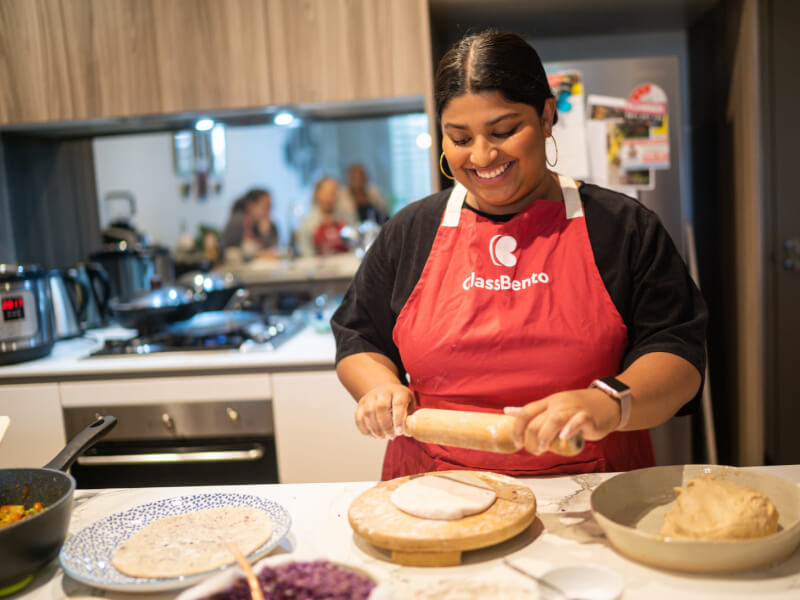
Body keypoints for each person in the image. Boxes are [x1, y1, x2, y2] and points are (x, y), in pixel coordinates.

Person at [331, 30, 707, 480]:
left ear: (547, 116)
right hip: (432, 493)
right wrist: (379, 389)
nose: (484, 155)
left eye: (505, 131)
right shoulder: (411, 231)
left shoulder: (622, 227)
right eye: (460, 137)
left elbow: (677, 356)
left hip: (588, 492)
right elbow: (359, 338)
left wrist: (609, 400)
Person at [296, 177, 352, 257]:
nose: (331, 197)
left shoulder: (345, 219)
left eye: (334, 192)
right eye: (328, 192)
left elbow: (353, 247)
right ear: (317, 194)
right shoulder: (307, 224)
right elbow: (307, 256)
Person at [221, 188, 278, 260]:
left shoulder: (270, 225)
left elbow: (272, 250)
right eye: (265, 207)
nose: (268, 212)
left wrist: (265, 233)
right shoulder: (236, 222)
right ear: (250, 205)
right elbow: (227, 251)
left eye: (270, 207)